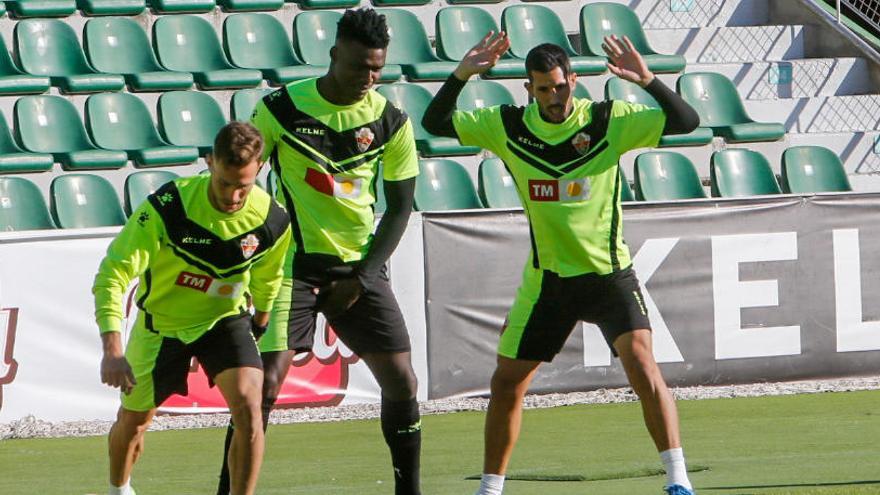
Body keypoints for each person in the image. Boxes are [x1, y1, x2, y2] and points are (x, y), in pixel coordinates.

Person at [422, 33, 702, 495]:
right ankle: (490, 488)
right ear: (528, 90)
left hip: (608, 274)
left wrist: (648, 79)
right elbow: (436, 123)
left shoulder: (609, 119)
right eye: (544, 89)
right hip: (548, 281)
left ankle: (678, 480)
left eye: (561, 86)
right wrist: (461, 74)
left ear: (574, 79)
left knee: (642, 365)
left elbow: (686, 122)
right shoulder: (507, 125)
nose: (555, 97)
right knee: (507, 381)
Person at [215, 8, 422, 495]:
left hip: (360, 270)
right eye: (358, 67)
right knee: (262, 387)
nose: (367, 78)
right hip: (291, 269)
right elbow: (241, 173)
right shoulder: (280, 109)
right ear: (332, 55)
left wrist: (365, 276)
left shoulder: (392, 121)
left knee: (403, 384)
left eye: (377, 68)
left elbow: (400, 208)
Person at [94, 122, 292, 495]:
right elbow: (114, 273)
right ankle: (119, 489)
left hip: (224, 320)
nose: (233, 197)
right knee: (134, 423)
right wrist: (112, 349)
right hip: (161, 326)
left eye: (243, 186)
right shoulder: (168, 206)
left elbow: (270, 276)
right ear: (209, 162)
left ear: (260, 168)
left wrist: (261, 321)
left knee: (251, 405)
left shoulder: (272, 220)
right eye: (225, 183)